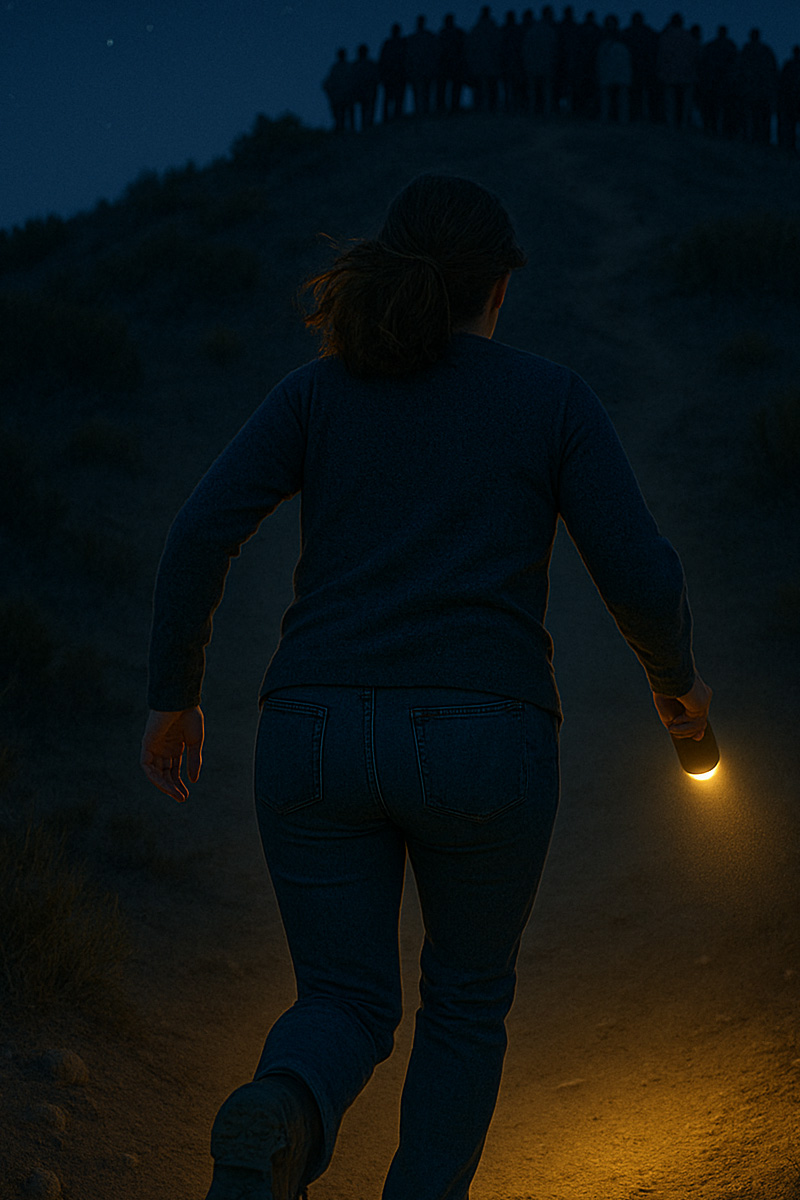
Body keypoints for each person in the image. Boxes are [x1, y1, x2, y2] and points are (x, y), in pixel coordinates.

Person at [141, 173, 712, 1200]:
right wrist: (679, 695)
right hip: (484, 740)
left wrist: (172, 697)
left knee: (345, 1000)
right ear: (496, 290)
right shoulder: (550, 398)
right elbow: (639, 573)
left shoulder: (316, 392)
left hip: (310, 731)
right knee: (463, 1000)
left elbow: (197, 534)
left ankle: (282, 1108)